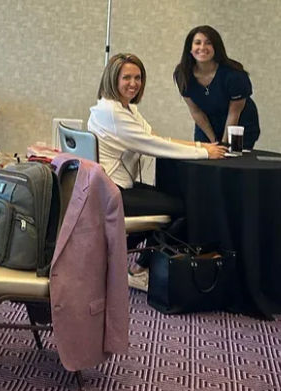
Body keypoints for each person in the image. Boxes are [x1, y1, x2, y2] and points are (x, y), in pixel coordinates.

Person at [88, 53, 226, 290]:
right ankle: (139, 269)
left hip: (109, 186)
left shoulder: (122, 108)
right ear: (113, 79)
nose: (134, 83)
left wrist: (201, 145)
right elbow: (156, 146)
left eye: (138, 77)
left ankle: (112, 262)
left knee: (165, 199)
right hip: (114, 192)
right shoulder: (113, 114)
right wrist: (204, 153)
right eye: (127, 78)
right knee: (183, 209)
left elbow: (154, 138)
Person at [172, 25, 261, 149]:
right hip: (206, 123)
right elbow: (196, 111)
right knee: (206, 157)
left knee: (232, 162)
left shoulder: (234, 74)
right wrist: (214, 141)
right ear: (190, 48)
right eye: (197, 43)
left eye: (208, 43)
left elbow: (234, 113)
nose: (202, 47)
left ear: (216, 48)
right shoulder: (183, 73)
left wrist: (224, 144)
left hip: (239, 123)